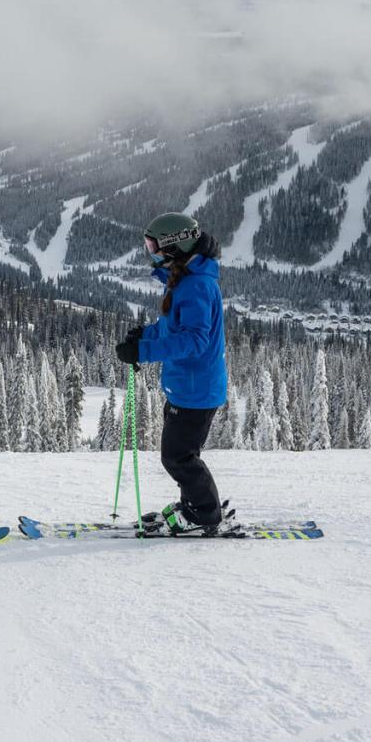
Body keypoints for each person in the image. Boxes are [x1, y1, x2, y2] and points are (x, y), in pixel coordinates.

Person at [115, 211, 229, 535]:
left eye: (154, 246)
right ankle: (194, 504)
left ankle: (204, 514)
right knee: (181, 453)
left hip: (196, 391)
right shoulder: (185, 281)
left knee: (178, 457)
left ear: (175, 247)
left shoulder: (195, 286)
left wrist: (144, 352)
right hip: (188, 387)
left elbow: (194, 339)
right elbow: (173, 329)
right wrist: (144, 337)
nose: (151, 253)